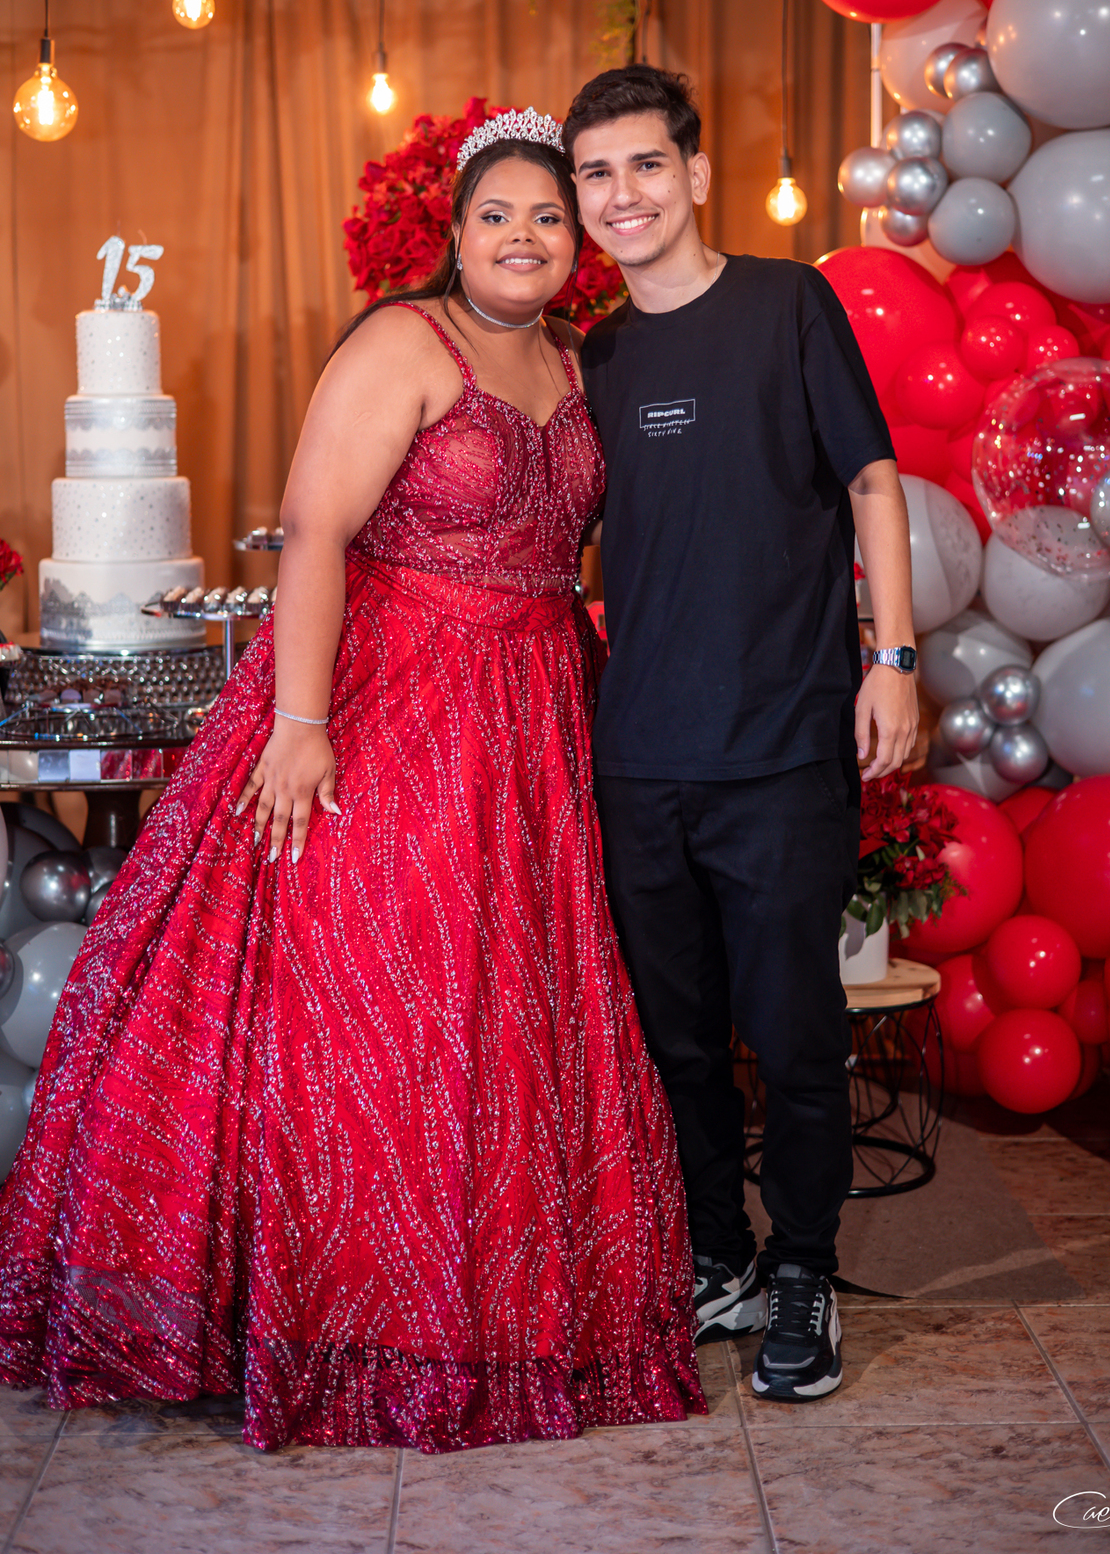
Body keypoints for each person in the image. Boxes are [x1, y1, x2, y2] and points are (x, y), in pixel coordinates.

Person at [0, 110, 704, 1453]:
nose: (523, 236)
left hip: (539, 711)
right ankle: (354, 1316)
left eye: (548, 217)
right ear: (455, 231)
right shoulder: (405, 343)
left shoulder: (580, 359)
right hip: (396, 698)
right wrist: (302, 721)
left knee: (515, 1005)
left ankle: (499, 1309)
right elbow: (317, 528)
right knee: (386, 996)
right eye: (497, 214)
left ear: (579, 240)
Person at [563, 66, 919, 1403]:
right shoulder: (595, 356)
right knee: (676, 1042)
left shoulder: (787, 304)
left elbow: (872, 479)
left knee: (796, 1030)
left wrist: (892, 658)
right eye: (597, 174)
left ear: (696, 175)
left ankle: (806, 1271)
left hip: (779, 745)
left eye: (646, 165)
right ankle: (720, 1255)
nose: (623, 196)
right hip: (639, 754)